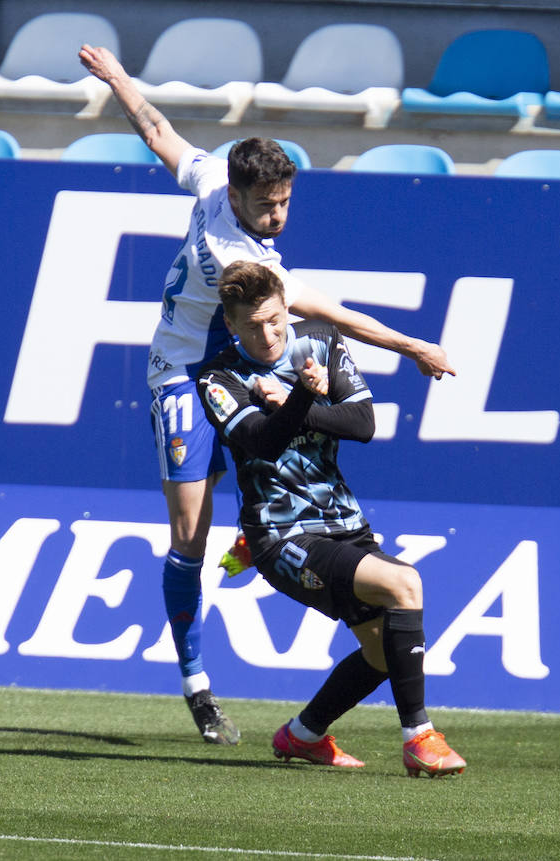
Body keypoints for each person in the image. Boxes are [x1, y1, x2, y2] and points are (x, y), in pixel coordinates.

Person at [77, 44, 456, 745]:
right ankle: (196, 682)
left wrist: (119, 78)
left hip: (235, 355)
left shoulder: (212, 180)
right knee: (190, 532)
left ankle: (260, 533)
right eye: (268, 203)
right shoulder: (245, 265)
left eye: (285, 201)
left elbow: (158, 132)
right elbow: (333, 313)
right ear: (240, 194)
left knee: (293, 428)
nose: (278, 212)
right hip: (183, 372)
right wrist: (411, 346)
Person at [197, 260, 466, 777]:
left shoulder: (318, 341)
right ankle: (419, 739)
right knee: (405, 584)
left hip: (344, 522)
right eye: (252, 326)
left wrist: (302, 399)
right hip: (280, 537)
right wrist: (302, 396)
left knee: (384, 651)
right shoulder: (220, 377)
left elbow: (363, 423)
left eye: (275, 319)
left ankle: (302, 735)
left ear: (286, 308)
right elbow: (261, 441)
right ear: (231, 326)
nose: (268, 333)